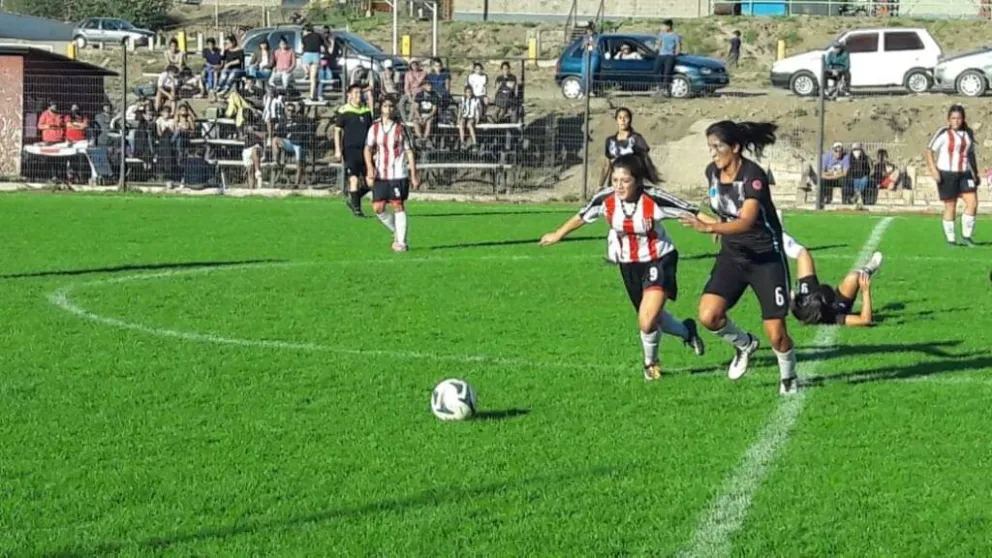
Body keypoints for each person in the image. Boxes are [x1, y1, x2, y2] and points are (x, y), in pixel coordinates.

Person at [540, 153, 705, 380]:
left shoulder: (652, 199)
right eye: (615, 180)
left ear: (637, 180)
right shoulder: (605, 199)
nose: (618, 185)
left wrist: (717, 227)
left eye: (625, 181)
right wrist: (558, 234)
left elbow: (692, 211)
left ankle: (650, 364)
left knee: (647, 319)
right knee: (649, 317)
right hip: (628, 264)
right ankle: (687, 330)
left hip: (659, 259)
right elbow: (582, 216)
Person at [679, 120, 798, 395]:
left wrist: (712, 227)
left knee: (776, 333)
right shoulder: (712, 172)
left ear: (735, 147)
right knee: (709, 316)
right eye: (709, 147)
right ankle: (745, 344)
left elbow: (746, 220)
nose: (712, 153)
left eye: (718, 146)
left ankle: (789, 378)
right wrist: (720, 223)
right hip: (733, 254)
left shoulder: (753, 176)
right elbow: (724, 206)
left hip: (765, 257)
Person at [784, 230, 883, 327]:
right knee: (854, 277)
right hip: (836, 307)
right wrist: (865, 291)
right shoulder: (833, 316)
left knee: (803, 254)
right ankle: (867, 270)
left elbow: (790, 297)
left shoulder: (802, 306)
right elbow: (865, 320)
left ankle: (776, 234)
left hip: (811, 301)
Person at [364, 96, 419, 252]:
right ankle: (397, 231)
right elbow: (367, 148)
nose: (389, 109)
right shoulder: (374, 128)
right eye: (386, 106)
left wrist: (413, 175)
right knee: (377, 208)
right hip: (381, 174)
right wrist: (369, 169)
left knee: (397, 205)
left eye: (391, 106)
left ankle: (401, 242)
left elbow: (409, 152)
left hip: (398, 174)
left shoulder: (401, 128)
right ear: (381, 108)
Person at [926, 104, 980, 247]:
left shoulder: (968, 133)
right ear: (948, 119)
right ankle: (951, 239)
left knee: (973, 203)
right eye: (953, 118)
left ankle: (967, 236)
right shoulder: (944, 133)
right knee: (951, 206)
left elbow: (971, 154)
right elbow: (930, 151)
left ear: (963, 119)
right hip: (947, 174)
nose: (956, 121)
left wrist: (975, 172)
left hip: (965, 173)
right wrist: (934, 170)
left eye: (959, 118)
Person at [333, 85, 374, 216]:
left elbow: (371, 132)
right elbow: (337, 131)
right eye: (355, 93)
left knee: (371, 182)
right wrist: (338, 150)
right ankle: (357, 209)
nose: (358, 95)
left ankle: (353, 199)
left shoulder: (366, 111)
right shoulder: (344, 110)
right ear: (349, 95)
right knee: (354, 179)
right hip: (350, 150)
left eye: (360, 93)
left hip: (365, 151)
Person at [599, 107, 650, 190]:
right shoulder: (610, 141)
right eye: (620, 117)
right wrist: (600, 185)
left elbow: (645, 161)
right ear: (616, 120)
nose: (623, 120)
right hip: (615, 184)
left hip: (632, 184)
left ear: (630, 120)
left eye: (626, 117)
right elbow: (606, 165)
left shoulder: (636, 139)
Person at [656, 19, 682, 97]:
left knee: (667, 73)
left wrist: (676, 53)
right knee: (657, 71)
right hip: (661, 55)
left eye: (664, 26)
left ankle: (665, 89)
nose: (663, 27)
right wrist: (657, 47)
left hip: (669, 56)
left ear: (669, 26)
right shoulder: (661, 34)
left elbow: (678, 45)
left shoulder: (675, 35)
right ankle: (659, 87)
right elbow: (658, 44)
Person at [301, 23, 325, 101]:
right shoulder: (318, 36)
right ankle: (312, 95)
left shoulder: (304, 37)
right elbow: (322, 45)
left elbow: (302, 48)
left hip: (307, 55)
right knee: (313, 78)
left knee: (304, 63)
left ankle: (306, 72)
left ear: (306, 30)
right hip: (316, 55)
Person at [457, 85, 482, 150]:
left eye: (470, 92)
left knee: (470, 125)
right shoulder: (463, 99)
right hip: (465, 116)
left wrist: (477, 119)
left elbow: (477, 111)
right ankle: (462, 142)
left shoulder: (476, 100)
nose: (469, 94)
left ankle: (474, 143)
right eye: (467, 92)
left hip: (472, 117)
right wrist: (458, 118)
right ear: (465, 93)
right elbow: (460, 110)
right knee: (461, 123)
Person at [848, 142, 872, 209]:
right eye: (854, 149)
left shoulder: (865, 158)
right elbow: (849, 170)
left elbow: (868, 170)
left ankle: (857, 195)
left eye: (858, 149)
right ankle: (858, 196)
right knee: (854, 180)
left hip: (863, 177)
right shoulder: (849, 158)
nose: (856, 151)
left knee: (865, 179)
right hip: (853, 177)